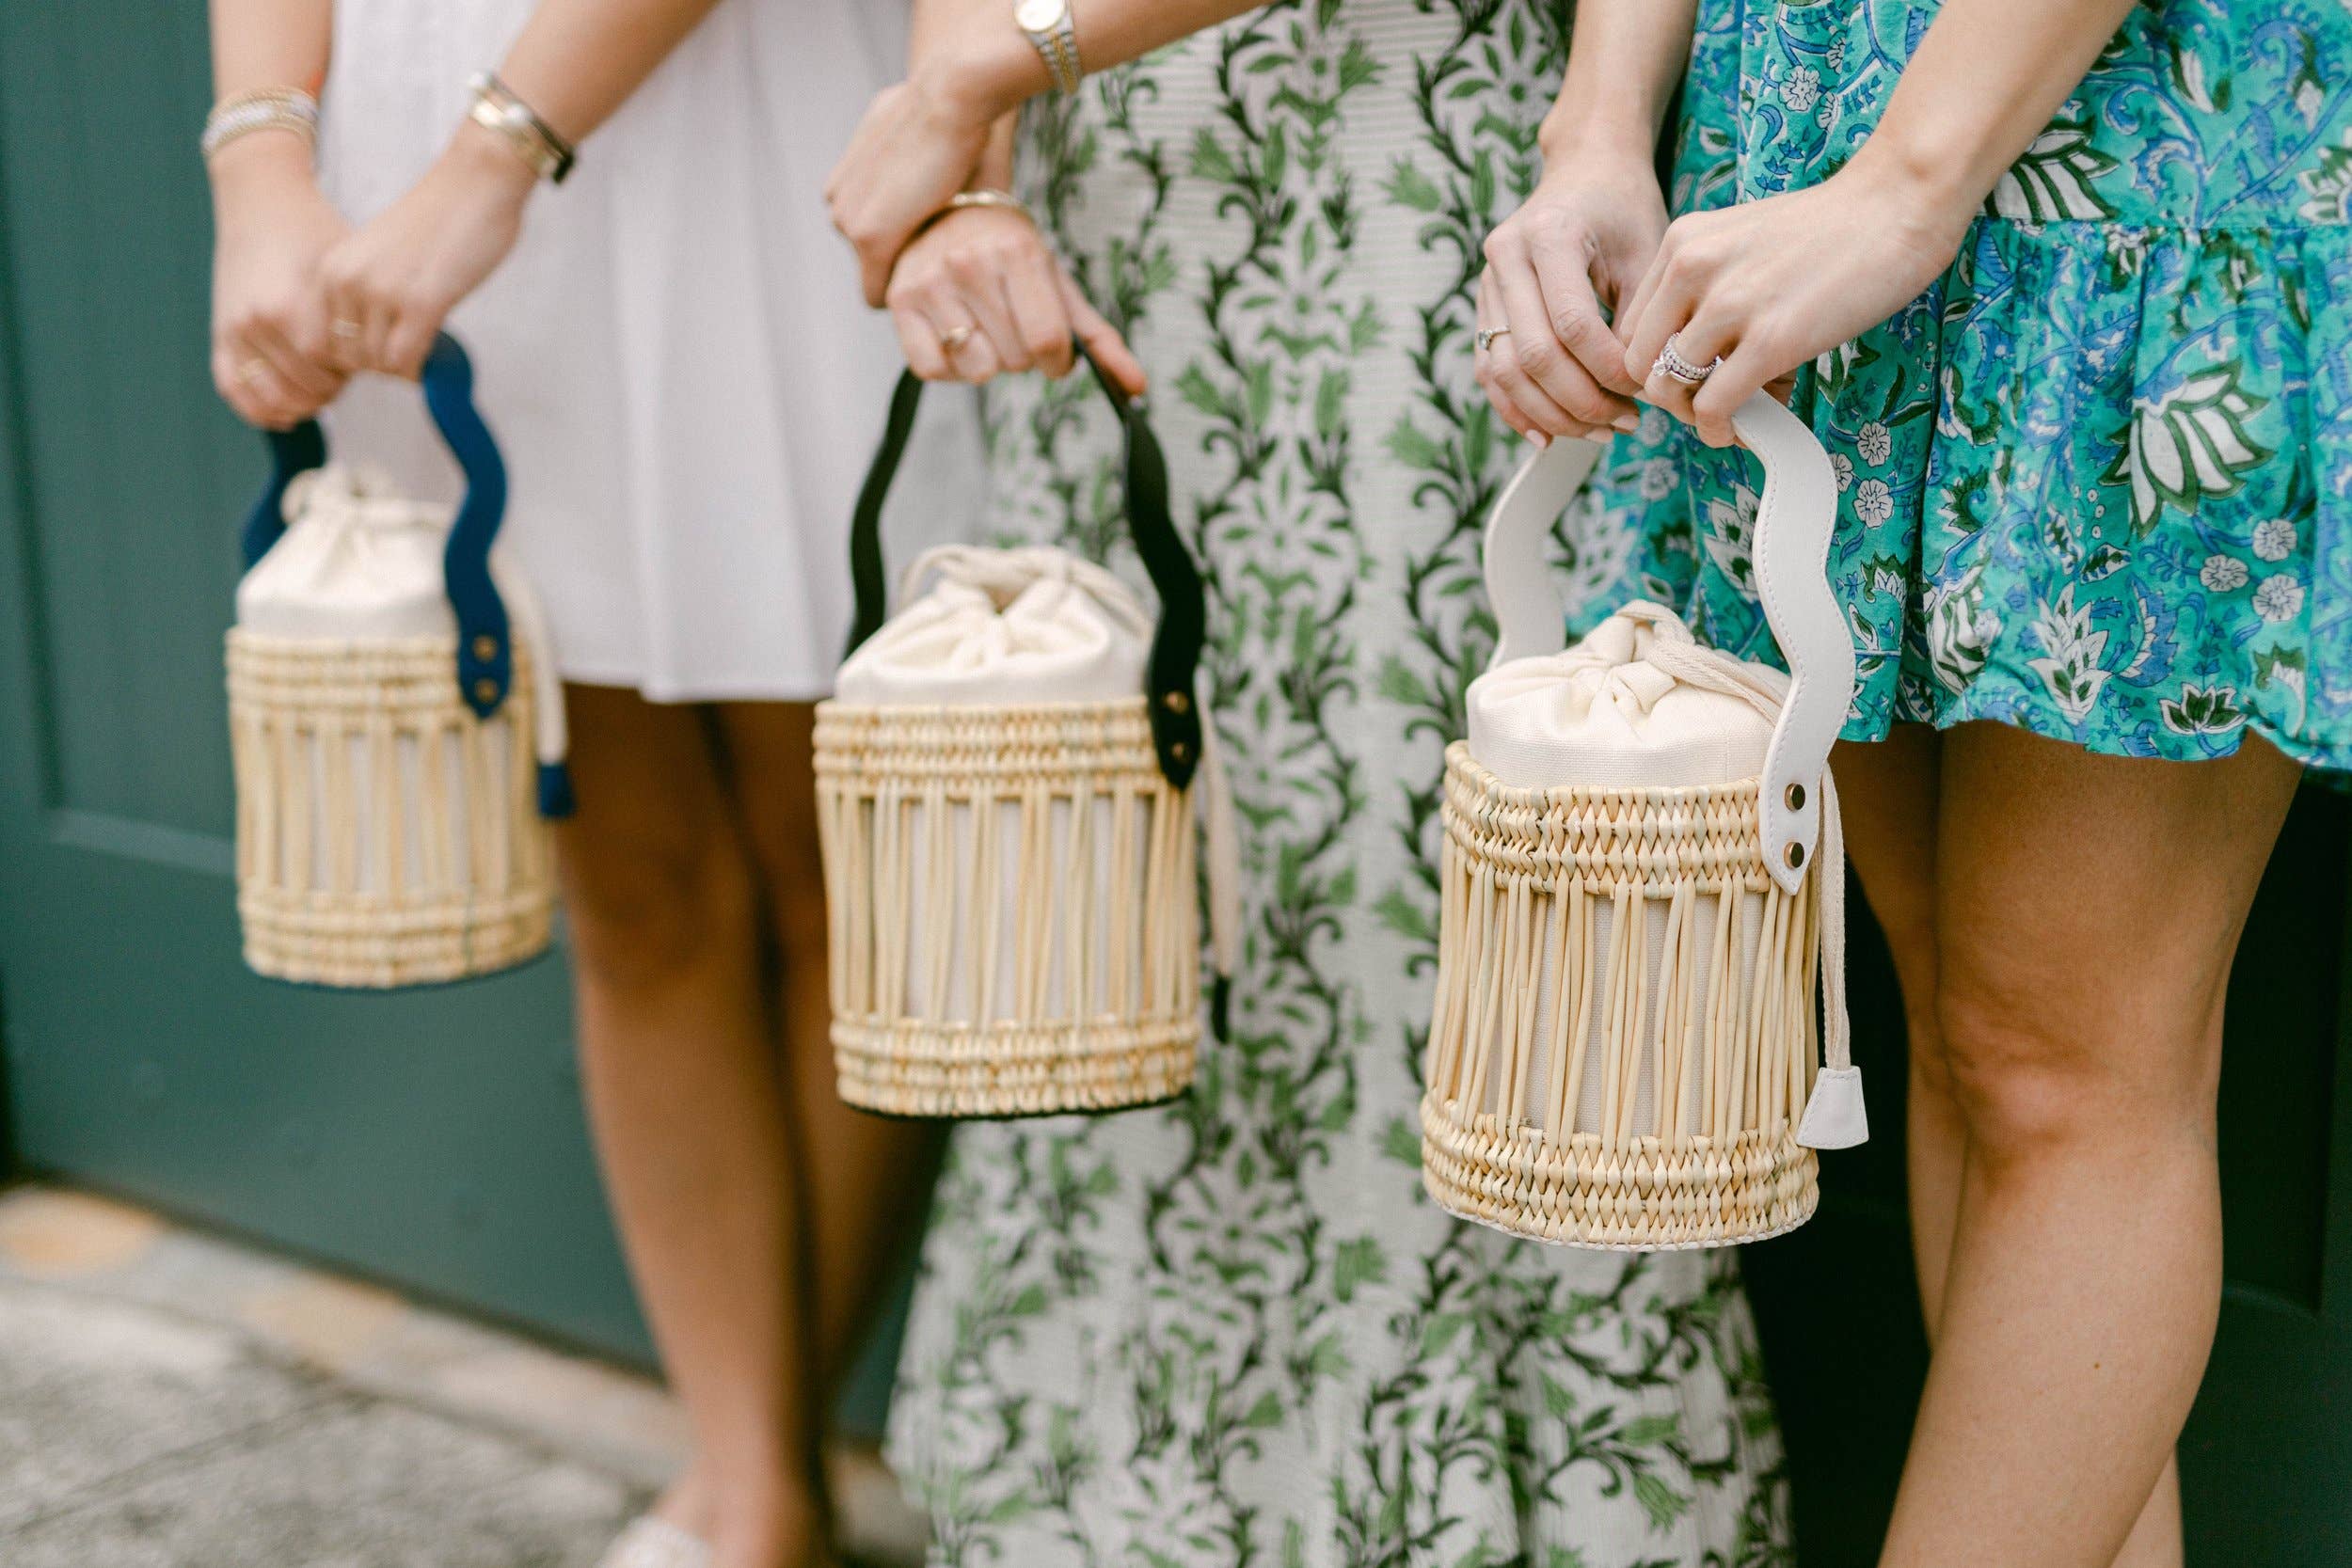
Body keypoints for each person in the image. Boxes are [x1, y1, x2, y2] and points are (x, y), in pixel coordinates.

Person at [830, 3, 1792, 1563]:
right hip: (1115, 210)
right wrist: (975, 173)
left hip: (1413, 211)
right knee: (1118, 904)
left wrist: (997, 66)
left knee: (1432, 919)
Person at [1478, 1, 2340, 1562]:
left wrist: (1908, 182)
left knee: (2060, 1068)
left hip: (2115, 150)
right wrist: (1598, 126)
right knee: (1971, 1037)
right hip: (1796, 159)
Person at [202, 3, 973, 1564]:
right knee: (623, 869)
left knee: (846, 849)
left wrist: (499, 150)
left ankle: (757, 1481)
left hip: (738, 132)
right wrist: (262, 165)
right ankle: (753, 1483)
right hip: (406, 137)